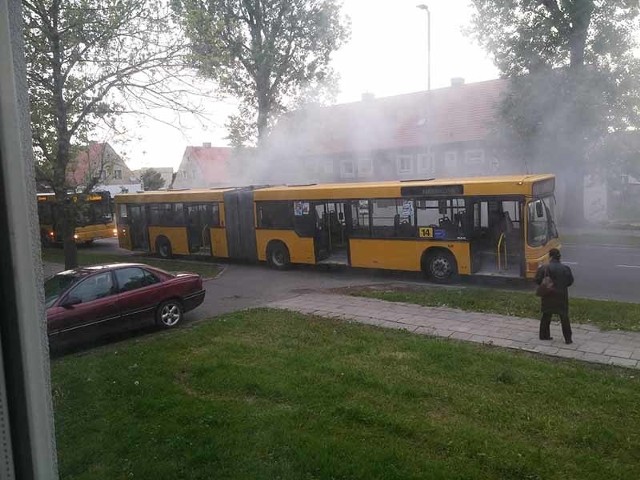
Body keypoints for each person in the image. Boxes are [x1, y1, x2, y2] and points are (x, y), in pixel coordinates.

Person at [535, 248, 574, 344]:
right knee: (564, 317)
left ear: (550, 256)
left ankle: (544, 335)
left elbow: (537, 280)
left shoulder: (544, 268)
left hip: (548, 295)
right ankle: (568, 339)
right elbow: (570, 282)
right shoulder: (566, 268)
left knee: (546, 315)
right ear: (559, 257)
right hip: (561, 296)